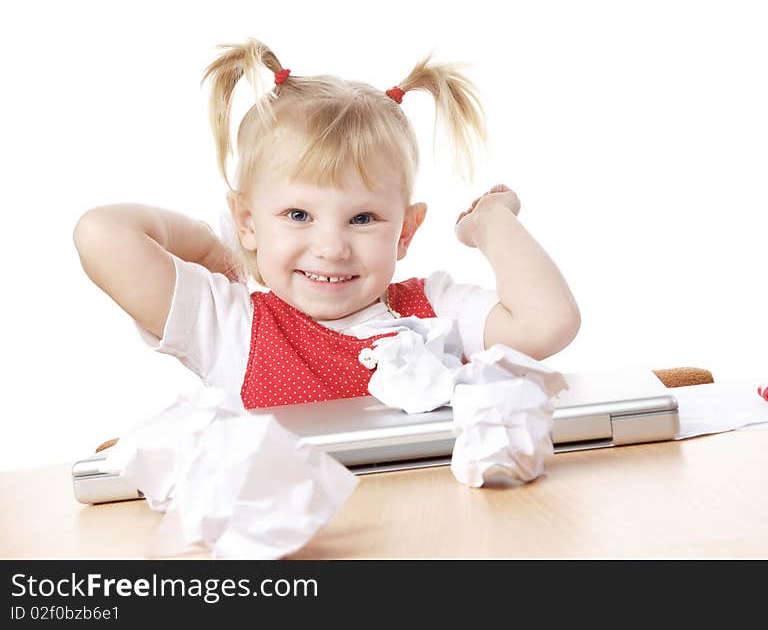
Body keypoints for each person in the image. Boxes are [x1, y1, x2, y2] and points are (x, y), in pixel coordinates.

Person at [73, 39, 580, 410]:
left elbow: (548, 323)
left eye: (363, 218)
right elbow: (102, 234)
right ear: (248, 221)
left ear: (405, 231)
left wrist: (492, 224)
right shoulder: (232, 329)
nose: (332, 247)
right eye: (298, 216)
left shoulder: (436, 315)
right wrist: (213, 252)